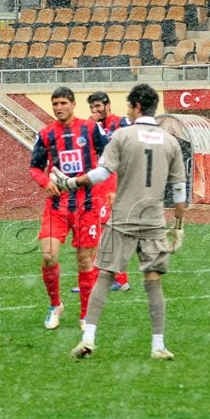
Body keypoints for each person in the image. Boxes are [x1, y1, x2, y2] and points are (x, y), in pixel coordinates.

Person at [53, 84, 185, 361]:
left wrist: (71, 183)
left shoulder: (123, 135)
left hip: (123, 218)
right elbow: (180, 188)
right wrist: (179, 225)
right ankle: (158, 345)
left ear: (136, 106)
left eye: (129, 106)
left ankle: (88, 339)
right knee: (153, 282)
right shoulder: (170, 140)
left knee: (104, 276)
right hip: (153, 221)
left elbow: (101, 173)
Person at [28, 85, 108, 330]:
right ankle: (56, 305)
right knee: (49, 256)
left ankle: (85, 315)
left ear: (73, 104)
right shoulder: (45, 135)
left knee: (85, 261)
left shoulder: (91, 129)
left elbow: (109, 158)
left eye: (63, 103)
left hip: (87, 206)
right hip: (57, 206)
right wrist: (45, 182)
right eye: (55, 104)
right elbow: (34, 167)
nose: (59, 108)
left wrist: (106, 188)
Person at [87, 91, 130, 293]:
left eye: (98, 107)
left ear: (107, 105)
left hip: (116, 184)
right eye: (92, 108)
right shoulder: (93, 127)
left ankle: (115, 279)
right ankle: (115, 279)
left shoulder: (121, 123)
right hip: (100, 185)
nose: (95, 111)